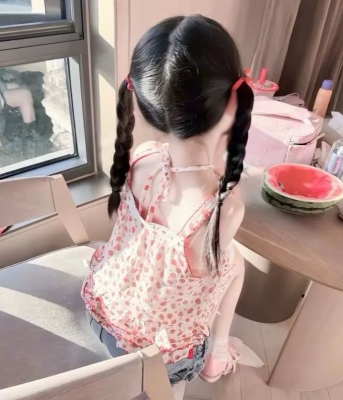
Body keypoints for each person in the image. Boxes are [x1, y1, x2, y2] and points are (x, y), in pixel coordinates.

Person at [81, 14, 260, 398]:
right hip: (159, 359)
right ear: (233, 100)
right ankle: (213, 355)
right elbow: (214, 269)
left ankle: (213, 353)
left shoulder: (142, 157)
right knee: (234, 265)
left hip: (103, 311)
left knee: (233, 261)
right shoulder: (224, 208)